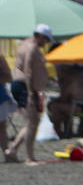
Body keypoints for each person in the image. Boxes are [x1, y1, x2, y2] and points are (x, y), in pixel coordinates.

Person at [5, 24, 51, 164]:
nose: (46, 43)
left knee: (32, 121)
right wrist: (31, 93)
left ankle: (12, 151)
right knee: (31, 122)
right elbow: (28, 69)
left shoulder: (25, 44)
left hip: (23, 86)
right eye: (46, 39)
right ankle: (29, 158)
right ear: (41, 36)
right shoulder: (31, 47)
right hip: (25, 86)